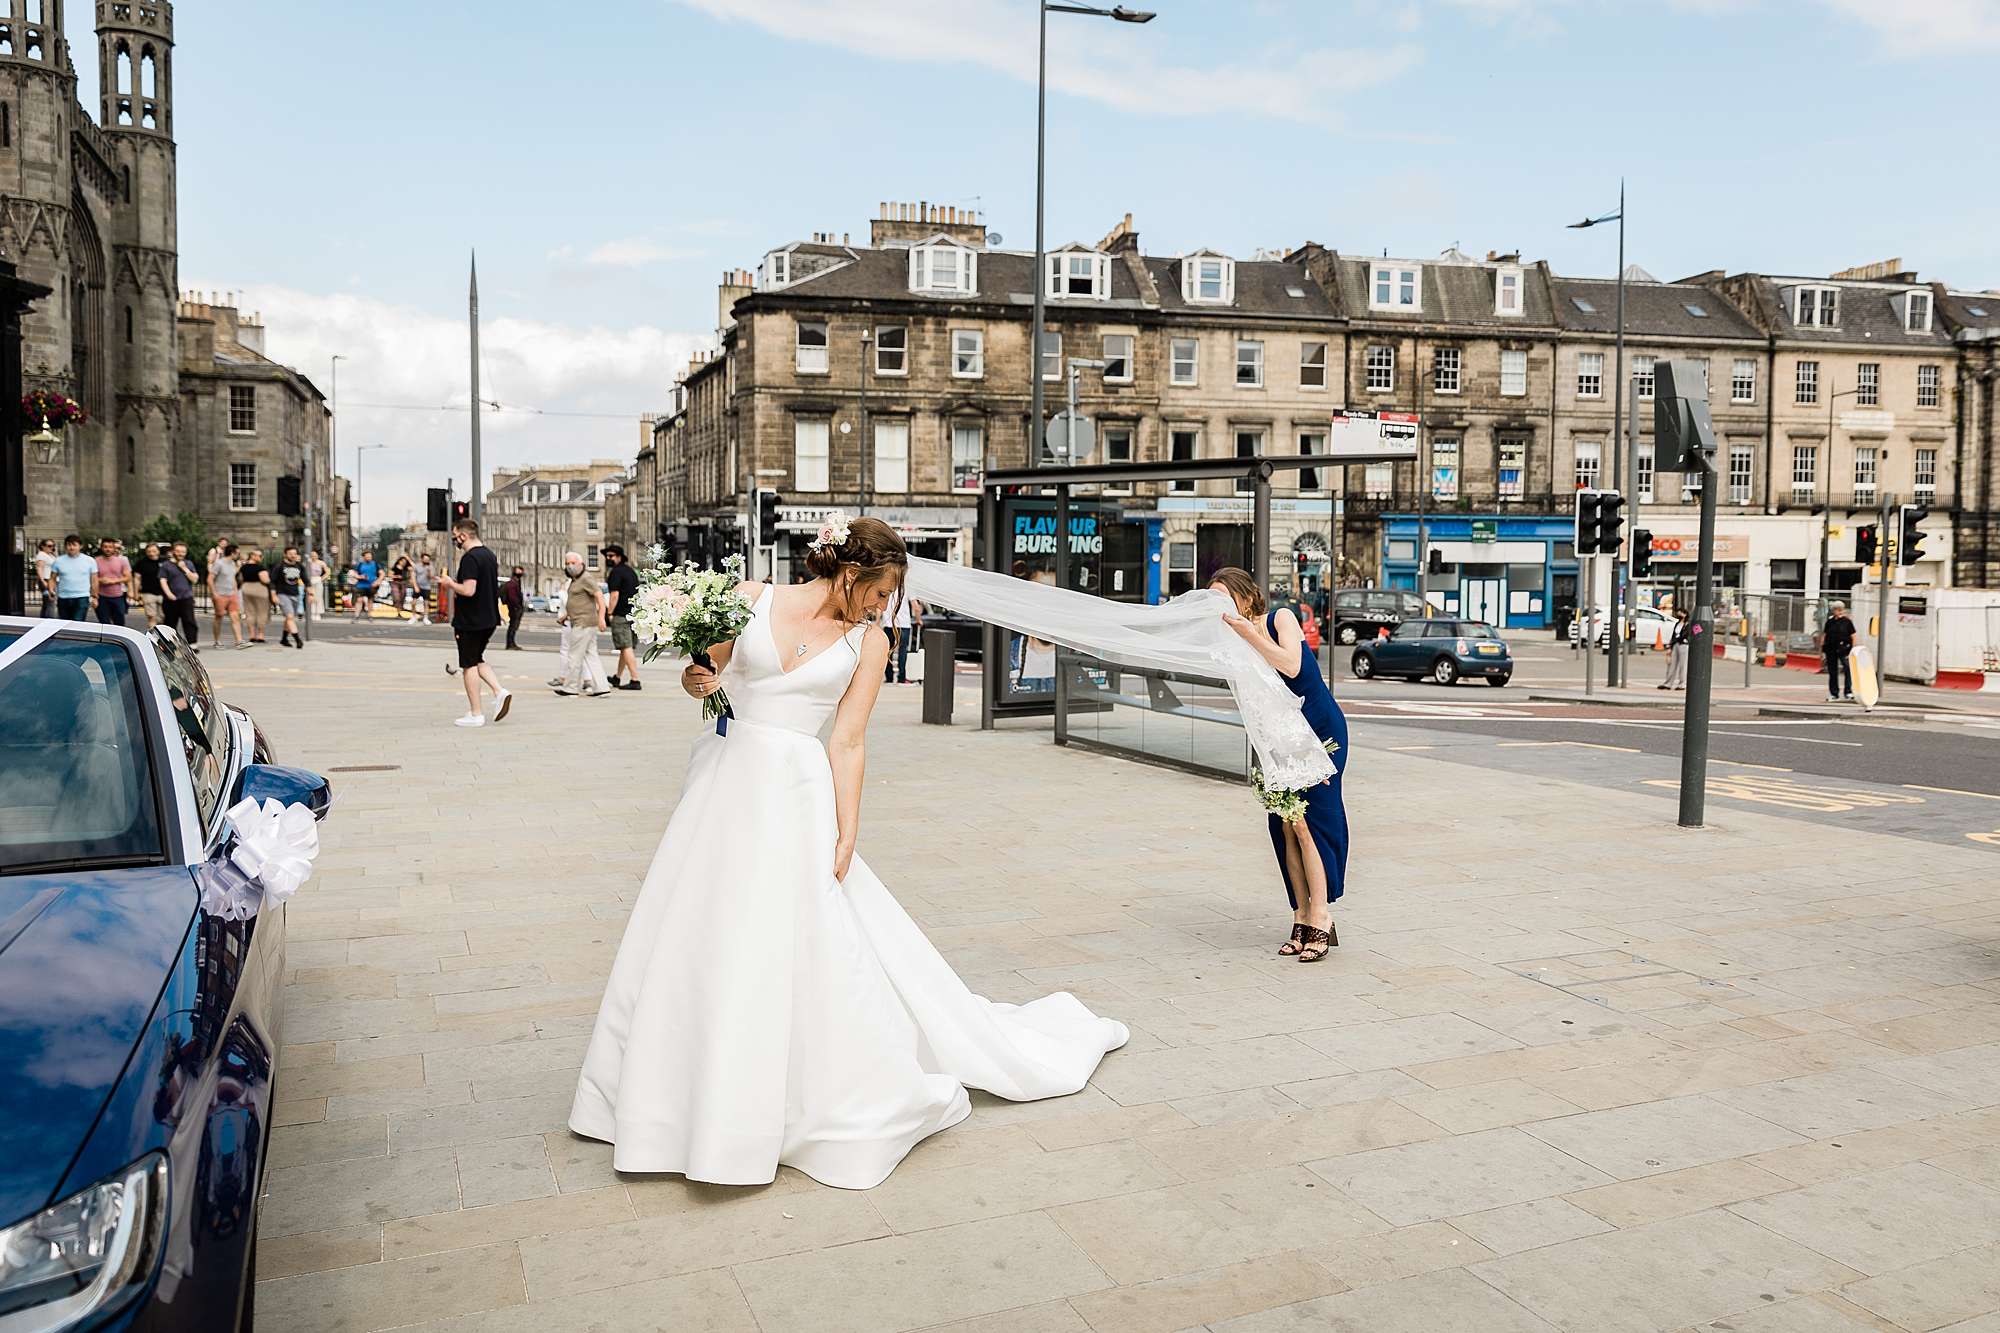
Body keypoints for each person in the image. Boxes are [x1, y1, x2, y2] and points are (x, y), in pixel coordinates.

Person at [569, 515, 1127, 1189]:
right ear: (852, 572)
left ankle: (789, 1098)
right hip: (724, 784)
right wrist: (697, 680)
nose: (883, 607)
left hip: (795, 795)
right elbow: (705, 674)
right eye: (881, 592)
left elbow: (849, 739)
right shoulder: (750, 598)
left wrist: (847, 828)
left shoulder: (871, 642)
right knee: (697, 929)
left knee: (786, 936)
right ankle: (667, 1101)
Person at [1212, 566, 1348, 963]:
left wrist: (1249, 635)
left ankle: (1322, 916)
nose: (1218, 607)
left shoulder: (1280, 619)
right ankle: (1300, 916)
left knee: (1311, 824)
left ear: (1244, 596)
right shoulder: (1231, 643)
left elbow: (1291, 666)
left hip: (1320, 732)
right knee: (1285, 825)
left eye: (1223, 597)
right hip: (1280, 741)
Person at [440, 517, 510, 726]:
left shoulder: (470, 558)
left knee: (468, 665)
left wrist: (450, 584)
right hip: (489, 618)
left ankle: (476, 713)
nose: (455, 542)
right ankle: (499, 691)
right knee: (477, 658)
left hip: (471, 620)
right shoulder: (489, 555)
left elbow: (469, 590)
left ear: (463, 535)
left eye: (455, 538)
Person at [555, 551, 611, 697]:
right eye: (567, 563)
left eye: (573, 563)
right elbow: (579, 602)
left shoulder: (586, 578)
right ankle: (602, 687)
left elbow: (599, 597)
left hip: (583, 623)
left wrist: (602, 618)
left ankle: (571, 687)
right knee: (591, 655)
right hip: (581, 621)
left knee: (574, 655)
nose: (570, 566)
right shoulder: (576, 580)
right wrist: (566, 616)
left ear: (581, 563)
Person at [603, 544, 642, 690]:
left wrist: (609, 613)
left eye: (611, 556)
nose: (608, 558)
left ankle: (635, 680)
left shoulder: (615, 573)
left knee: (625, 647)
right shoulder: (630, 572)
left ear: (619, 557)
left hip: (621, 614)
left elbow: (614, 595)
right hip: (633, 614)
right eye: (607, 556)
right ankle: (617, 677)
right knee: (626, 648)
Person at [49, 535, 98, 621]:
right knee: (64, 623)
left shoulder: (90, 561)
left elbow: (94, 579)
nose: (71, 548)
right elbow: (52, 578)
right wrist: (51, 590)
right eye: (69, 545)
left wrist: (94, 596)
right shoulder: (58, 561)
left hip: (82, 597)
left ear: (80, 546)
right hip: (63, 597)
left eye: (74, 545)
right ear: (65, 546)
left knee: (77, 622)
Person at [161, 541, 200, 645]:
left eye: (183, 552)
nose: (180, 554)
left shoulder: (189, 564)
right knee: (170, 623)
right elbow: (163, 580)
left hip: (186, 598)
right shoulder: (166, 565)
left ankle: (192, 643)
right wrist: (169, 594)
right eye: (178, 551)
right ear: (173, 551)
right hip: (170, 599)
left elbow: (195, 580)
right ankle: (169, 645)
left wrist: (184, 568)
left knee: (189, 621)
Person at [884, 588, 923, 684]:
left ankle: (889, 677)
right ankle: (901, 678)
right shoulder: (908, 587)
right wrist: (918, 620)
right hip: (903, 624)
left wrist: (877, 622)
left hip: (888, 623)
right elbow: (916, 607)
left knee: (888, 651)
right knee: (903, 650)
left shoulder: (888, 585)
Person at [272, 546, 308, 649]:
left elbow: (306, 580)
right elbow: (272, 581)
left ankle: (284, 639)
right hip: (282, 594)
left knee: (289, 618)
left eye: (294, 554)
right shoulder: (279, 566)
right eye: (290, 553)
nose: (293, 555)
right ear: (285, 554)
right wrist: (273, 595)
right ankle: (298, 640)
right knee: (290, 617)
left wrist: (310, 593)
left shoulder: (299, 566)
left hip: (295, 594)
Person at [208, 542, 243, 647]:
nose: (238, 555)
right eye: (237, 553)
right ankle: (217, 641)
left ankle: (239, 641)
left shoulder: (232, 564)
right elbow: (210, 579)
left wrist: (235, 592)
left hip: (231, 595)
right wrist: (214, 593)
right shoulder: (219, 563)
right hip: (220, 595)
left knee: (235, 617)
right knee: (219, 617)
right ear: (232, 553)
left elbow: (232, 579)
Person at [93, 537, 132, 626]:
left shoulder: (122, 561)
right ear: (101, 548)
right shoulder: (96, 561)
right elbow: (92, 578)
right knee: (104, 624)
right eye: (105, 547)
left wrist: (113, 581)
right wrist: (100, 580)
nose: (108, 549)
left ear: (114, 548)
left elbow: (128, 577)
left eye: (110, 547)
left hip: (118, 597)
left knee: (119, 623)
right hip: (101, 597)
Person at [1822, 601, 1856, 701]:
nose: (1839, 611)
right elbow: (1824, 635)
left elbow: (1853, 636)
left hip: (1844, 649)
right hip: (1831, 649)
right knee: (1832, 671)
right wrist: (1822, 649)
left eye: (1840, 609)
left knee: (1847, 668)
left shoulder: (1847, 622)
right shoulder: (1830, 622)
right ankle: (1834, 694)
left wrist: (1852, 650)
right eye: (1836, 609)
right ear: (1833, 610)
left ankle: (1848, 692)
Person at [239, 547, 272, 644]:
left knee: (249, 612)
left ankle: (252, 635)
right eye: (260, 556)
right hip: (259, 589)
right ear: (253, 556)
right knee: (262, 612)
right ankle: (260, 635)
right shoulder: (260, 567)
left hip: (246, 588)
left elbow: (240, 579)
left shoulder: (243, 567)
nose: (261, 558)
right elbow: (265, 580)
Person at [1659, 607, 1691, 691]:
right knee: (1672, 664)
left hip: (1683, 645)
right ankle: (1668, 683)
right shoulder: (1677, 623)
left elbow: (1686, 635)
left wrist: (1680, 639)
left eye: (1681, 613)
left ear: (1685, 614)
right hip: (1675, 644)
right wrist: (1670, 646)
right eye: (1678, 613)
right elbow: (1673, 635)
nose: (1679, 614)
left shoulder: (1688, 624)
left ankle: (1682, 684)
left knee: (1683, 665)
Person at [134, 541, 164, 628]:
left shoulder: (165, 562)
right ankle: (152, 635)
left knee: (163, 618)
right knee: (151, 617)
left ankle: (161, 635)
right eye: (149, 551)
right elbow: (137, 578)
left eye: (154, 551)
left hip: (163, 594)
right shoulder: (141, 563)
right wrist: (136, 593)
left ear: (158, 551)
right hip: (148, 593)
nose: (151, 553)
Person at [502, 564, 526, 650]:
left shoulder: (516, 582)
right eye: (519, 571)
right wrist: (517, 606)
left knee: (513, 626)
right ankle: (510, 643)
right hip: (514, 608)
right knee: (513, 626)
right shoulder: (513, 583)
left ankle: (511, 643)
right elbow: (512, 597)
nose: (521, 573)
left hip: (514, 607)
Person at [33, 538, 57, 617]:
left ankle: (43, 618)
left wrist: (55, 553)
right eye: (49, 546)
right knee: (51, 602)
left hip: (51, 580)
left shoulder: (50, 555)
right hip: (46, 580)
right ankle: (50, 619)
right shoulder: (41, 555)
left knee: (46, 602)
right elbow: (39, 568)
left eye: (53, 546)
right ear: (42, 546)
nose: (51, 547)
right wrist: (43, 581)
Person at [411, 552, 436, 626]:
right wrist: (415, 586)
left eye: (428, 559)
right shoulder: (416, 566)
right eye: (425, 559)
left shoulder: (430, 567)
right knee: (413, 602)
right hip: (418, 586)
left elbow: (431, 577)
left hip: (426, 587)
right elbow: (413, 576)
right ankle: (413, 617)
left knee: (426, 603)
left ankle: (425, 618)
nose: (426, 560)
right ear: (422, 559)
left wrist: (429, 572)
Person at [351, 554, 378, 621]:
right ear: (364, 557)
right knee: (359, 600)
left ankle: (370, 615)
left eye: (370, 557)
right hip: (361, 585)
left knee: (370, 600)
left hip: (371, 585)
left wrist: (378, 581)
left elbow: (382, 573)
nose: (369, 558)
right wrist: (360, 577)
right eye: (367, 557)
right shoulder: (360, 564)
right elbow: (354, 574)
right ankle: (356, 616)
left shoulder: (375, 564)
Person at [387, 553, 414, 620]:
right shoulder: (395, 567)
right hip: (395, 583)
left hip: (403, 583)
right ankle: (397, 608)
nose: (404, 563)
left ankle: (399, 612)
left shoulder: (406, 568)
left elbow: (413, 567)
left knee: (402, 597)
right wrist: (396, 576)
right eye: (403, 561)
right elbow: (389, 575)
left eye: (405, 562)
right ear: (399, 561)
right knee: (397, 597)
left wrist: (408, 558)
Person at [308, 550, 328, 616]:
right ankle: (312, 612)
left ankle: (318, 612)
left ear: (317, 556)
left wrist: (321, 579)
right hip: (310, 579)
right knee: (311, 596)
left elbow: (327, 572)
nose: (313, 557)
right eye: (312, 556)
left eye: (315, 555)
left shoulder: (321, 563)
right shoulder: (308, 562)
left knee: (318, 596)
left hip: (318, 579)